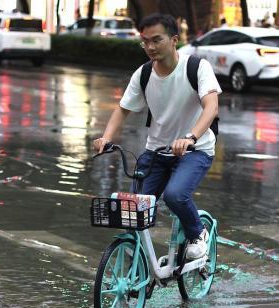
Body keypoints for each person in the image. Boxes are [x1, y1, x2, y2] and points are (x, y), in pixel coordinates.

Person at [93, 13, 221, 259]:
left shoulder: (197, 67)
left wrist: (191, 137)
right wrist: (106, 138)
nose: (150, 47)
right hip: (156, 152)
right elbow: (122, 109)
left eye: (156, 40)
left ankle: (198, 233)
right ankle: (140, 268)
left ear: (174, 40)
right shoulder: (143, 74)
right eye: (145, 41)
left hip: (196, 150)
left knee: (174, 195)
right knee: (133, 210)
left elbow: (211, 107)